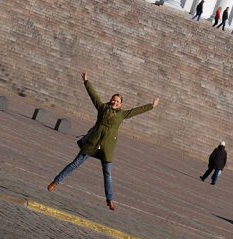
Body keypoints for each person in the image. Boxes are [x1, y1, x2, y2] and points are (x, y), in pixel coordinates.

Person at [47, 70, 159, 211]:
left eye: (118, 101)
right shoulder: (102, 108)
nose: (115, 102)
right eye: (113, 99)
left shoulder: (122, 115)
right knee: (75, 163)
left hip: (107, 147)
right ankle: (56, 181)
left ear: (121, 104)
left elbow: (136, 111)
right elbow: (94, 96)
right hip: (93, 142)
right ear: (110, 100)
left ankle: (110, 200)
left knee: (107, 174)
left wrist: (151, 106)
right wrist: (86, 81)